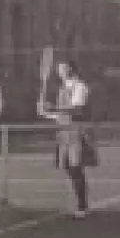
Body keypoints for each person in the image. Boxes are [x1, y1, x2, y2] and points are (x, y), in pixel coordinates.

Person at [40, 59, 95, 219]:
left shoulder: (80, 86)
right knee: (68, 168)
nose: (60, 71)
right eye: (59, 68)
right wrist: (46, 113)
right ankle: (80, 201)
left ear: (71, 69)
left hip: (76, 131)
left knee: (76, 167)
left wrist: (54, 108)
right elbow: (60, 114)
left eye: (63, 68)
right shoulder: (62, 88)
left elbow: (77, 109)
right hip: (63, 132)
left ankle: (82, 206)